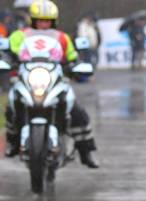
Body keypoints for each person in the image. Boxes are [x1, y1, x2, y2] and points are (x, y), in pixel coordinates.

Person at [4, 0, 99, 168]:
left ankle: (87, 152)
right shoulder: (19, 35)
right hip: (27, 80)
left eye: (47, 20)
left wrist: (76, 66)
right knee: (11, 107)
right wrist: (7, 61)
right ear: (32, 20)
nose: (43, 24)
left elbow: (72, 57)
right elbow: (8, 53)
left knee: (77, 112)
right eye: (40, 20)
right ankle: (12, 142)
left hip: (55, 81)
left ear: (53, 21)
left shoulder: (62, 38)